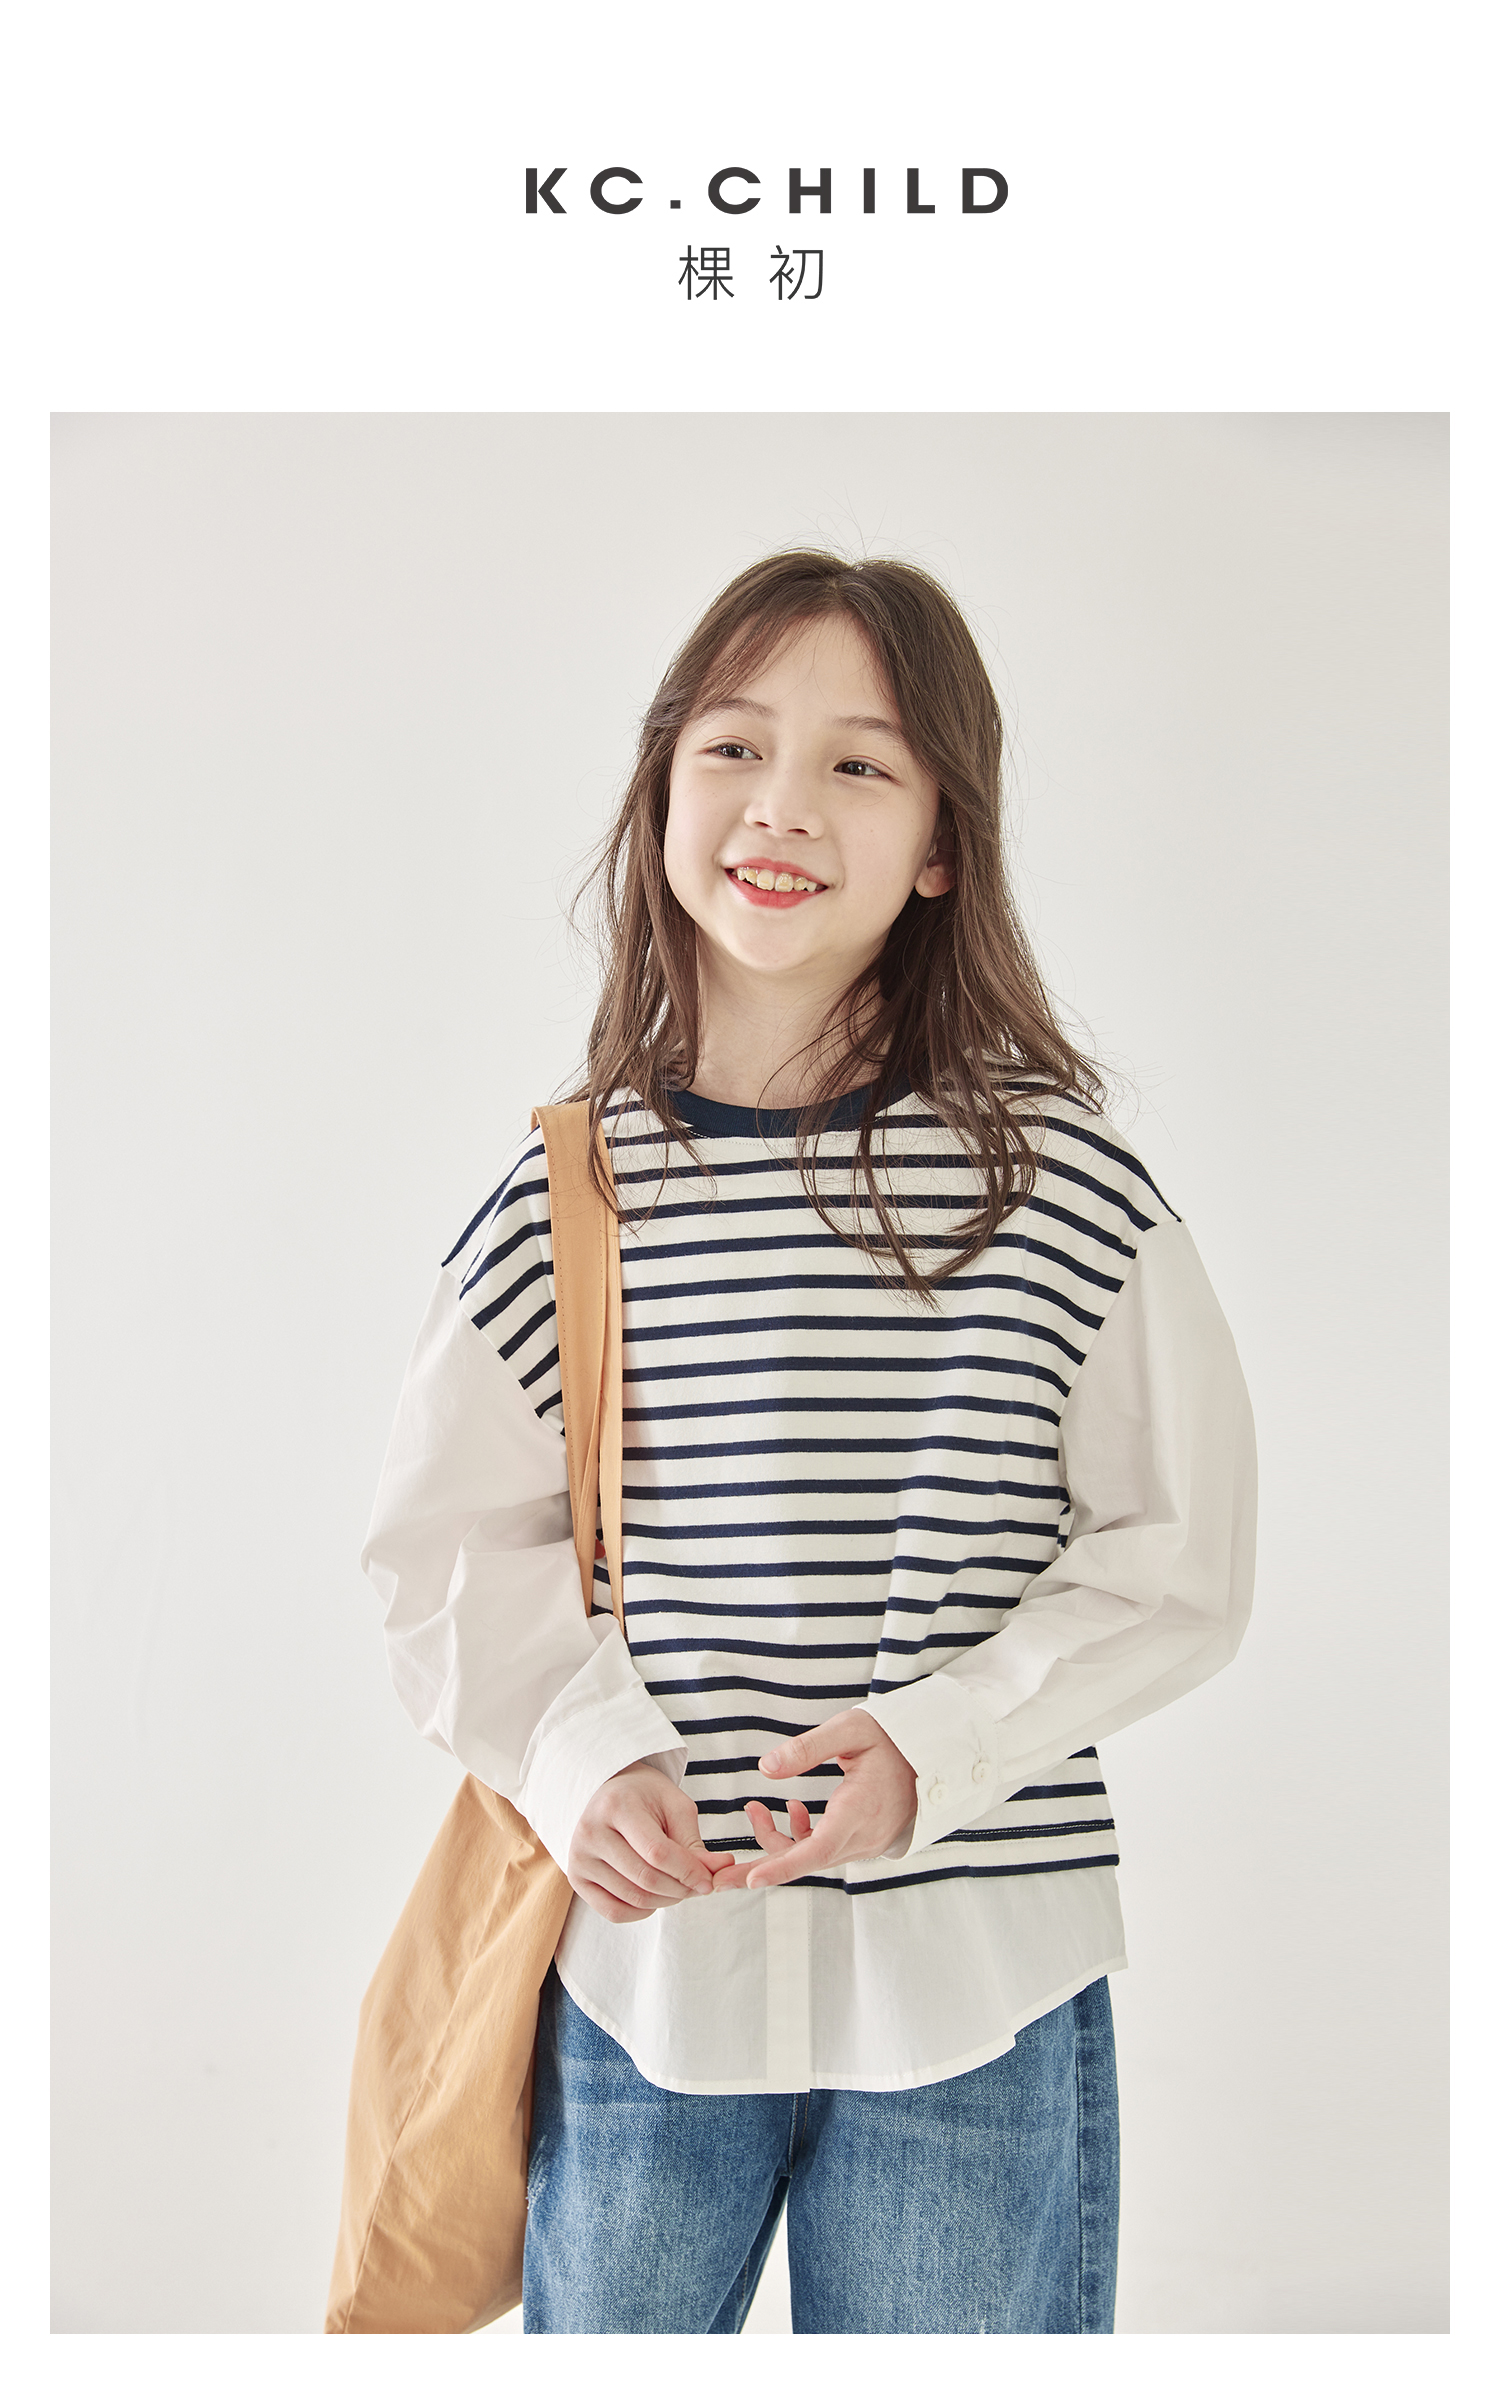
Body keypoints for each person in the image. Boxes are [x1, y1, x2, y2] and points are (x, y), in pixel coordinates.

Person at [362, 550, 1257, 2335]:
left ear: (942, 844)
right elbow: (444, 1555)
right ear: (663, 795)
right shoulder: (572, 1195)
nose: (782, 805)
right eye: (734, 747)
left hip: (973, 1974)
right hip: (648, 1974)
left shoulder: (1063, 1188)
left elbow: (1179, 1560)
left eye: (859, 762)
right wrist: (585, 1762)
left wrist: (934, 1747)